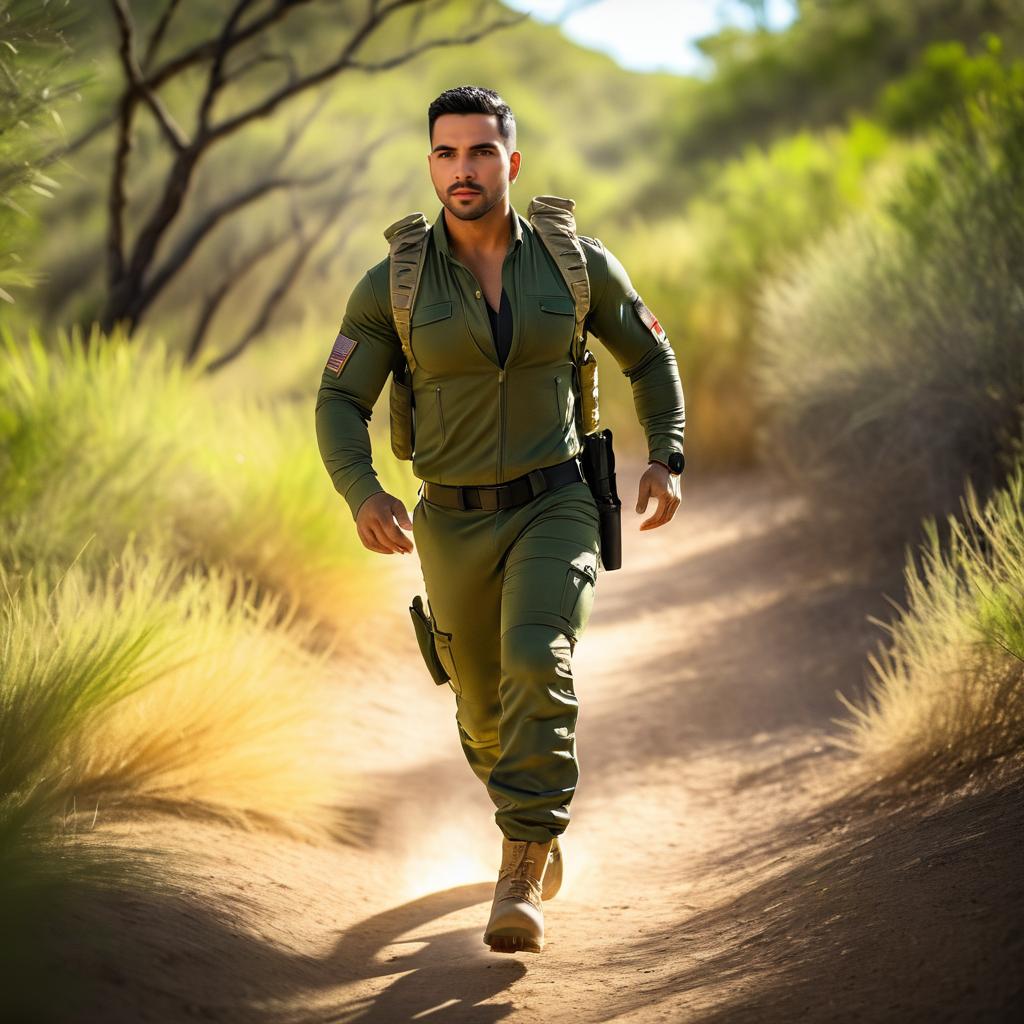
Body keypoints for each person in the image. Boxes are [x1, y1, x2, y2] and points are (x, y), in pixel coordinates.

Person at [315, 85, 685, 954]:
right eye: (445, 154)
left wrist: (666, 457)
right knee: (481, 709)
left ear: (511, 162)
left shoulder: (575, 265)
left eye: (480, 152)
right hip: (448, 520)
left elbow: (650, 354)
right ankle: (533, 823)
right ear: (431, 164)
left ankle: (518, 871)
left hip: (557, 502)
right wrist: (361, 490)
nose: (462, 170)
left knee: (535, 657)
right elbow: (339, 396)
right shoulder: (393, 286)